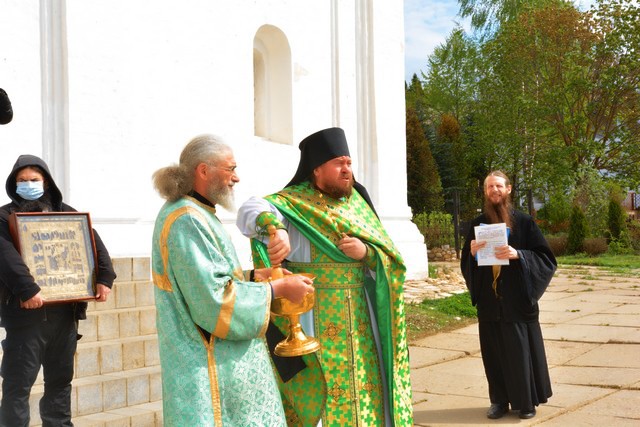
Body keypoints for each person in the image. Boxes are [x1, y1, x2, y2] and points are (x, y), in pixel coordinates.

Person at [237, 127, 413, 426]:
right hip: (312, 313)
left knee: (366, 384)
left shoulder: (357, 204)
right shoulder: (293, 203)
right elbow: (251, 209)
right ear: (317, 168)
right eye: (339, 163)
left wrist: (367, 252)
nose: (347, 169)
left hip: (361, 316)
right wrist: (275, 228)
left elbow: (391, 259)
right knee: (325, 389)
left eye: (349, 163)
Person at [150, 134, 315, 426]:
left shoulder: (197, 212)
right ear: (203, 171)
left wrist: (254, 276)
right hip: (209, 365)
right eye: (230, 169)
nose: (236, 178)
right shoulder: (187, 219)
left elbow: (205, 278)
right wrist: (276, 288)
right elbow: (213, 302)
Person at [0, 154, 116, 426]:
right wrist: (27, 289)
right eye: (22, 180)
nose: (28, 184)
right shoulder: (3, 217)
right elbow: (5, 257)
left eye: (34, 179)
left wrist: (105, 278)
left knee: (60, 382)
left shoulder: (67, 212)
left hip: (65, 315)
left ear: (46, 182)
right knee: (18, 385)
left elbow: (93, 244)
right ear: (13, 184)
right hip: (25, 316)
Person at [460, 170, 556, 420]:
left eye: (499, 186)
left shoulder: (525, 222)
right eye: (490, 187)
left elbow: (546, 259)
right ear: (485, 191)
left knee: (519, 354)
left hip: (516, 302)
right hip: (490, 303)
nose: (495, 190)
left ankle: (526, 403)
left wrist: (519, 255)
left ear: (508, 189)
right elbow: (466, 261)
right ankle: (499, 402)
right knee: (493, 355)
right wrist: (472, 254)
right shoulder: (477, 224)